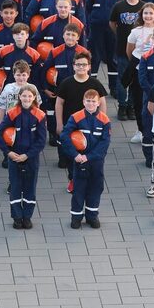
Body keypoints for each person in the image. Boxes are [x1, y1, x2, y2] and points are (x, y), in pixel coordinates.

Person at [0, 84, 47, 229]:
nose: (27, 98)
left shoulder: (40, 115)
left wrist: (27, 155)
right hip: (14, 158)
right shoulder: (12, 113)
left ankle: (27, 217)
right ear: (19, 97)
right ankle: (17, 218)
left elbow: (41, 141)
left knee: (30, 189)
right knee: (16, 188)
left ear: (34, 97)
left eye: (30, 96)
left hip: (31, 159)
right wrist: (8, 152)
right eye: (24, 96)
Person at [59, 88, 111, 229]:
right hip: (79, 160)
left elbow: (104, 143)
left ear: (98, 102)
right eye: (88, 101)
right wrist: (75, 155)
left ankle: (92, 216)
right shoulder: (75, 117)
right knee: (79, 189)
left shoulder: (104, 120)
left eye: (93, 101)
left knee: (96, 188)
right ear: (83, 101)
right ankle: (76, 217)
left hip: (95, 162)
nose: (90, 104)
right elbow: (64, 136)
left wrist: (88, 157)